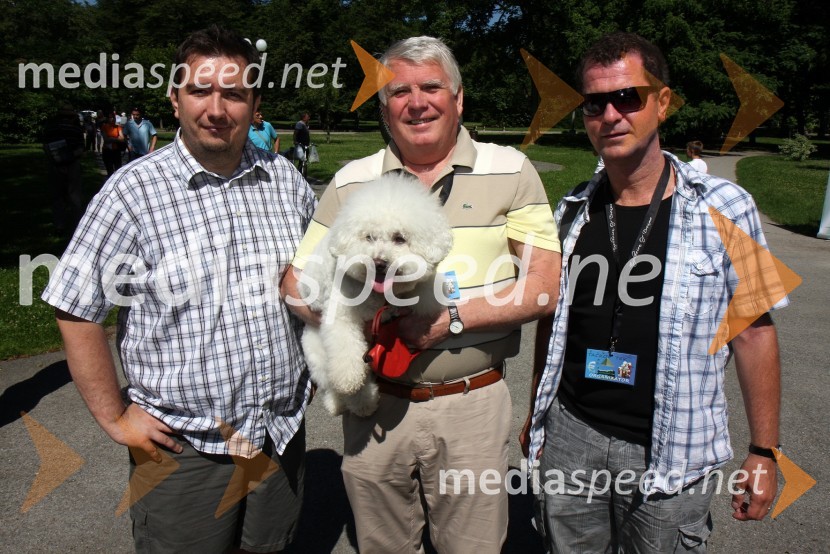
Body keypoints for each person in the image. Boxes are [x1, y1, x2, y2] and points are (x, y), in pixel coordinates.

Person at [41, 25, 316, 553]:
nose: (217, 108)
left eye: (234, 94)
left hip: (280, 433)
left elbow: (308, 289)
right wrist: (116, 418)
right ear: (175, 98)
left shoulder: (288, 183)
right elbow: (75, 308)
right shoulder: (132, 192)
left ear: (254, 103)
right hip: (183, 448)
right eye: (200, 90)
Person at [281, 36, 561, 552]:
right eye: (399, 91)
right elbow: (296, 285)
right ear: (385, 108)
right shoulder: (350, 181)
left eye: (431, 86)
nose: (417, 102)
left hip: (471, 403)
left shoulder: (512, 170)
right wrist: (356, 321)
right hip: (376, 408)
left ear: (458, 98)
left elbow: (544, 288)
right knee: (383, 545)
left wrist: (449, 320)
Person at [522, 32, 786, 553]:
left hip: (673, 448)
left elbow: (754, 334)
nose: (611, 115)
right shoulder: (573, 209)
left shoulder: (726, 206)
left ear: (662, 104)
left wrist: (764, 452)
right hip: (572, 434)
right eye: (594, 103)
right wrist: (536, 411)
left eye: (628, 97)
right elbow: (553, 324)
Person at [41, 104, 85, 233]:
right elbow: (80, 149)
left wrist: (56, 161)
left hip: (54, 164)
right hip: (72, 164)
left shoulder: (50, 128)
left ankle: (59, 224)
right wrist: (69, 159)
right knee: (74, 195)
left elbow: (45, 146)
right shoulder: (76, 129)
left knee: (57, 196)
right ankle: (77, 225)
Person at [99, 111, 126, 176]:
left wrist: (111, 139)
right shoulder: (104, 127)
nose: (112, 119)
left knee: (118, 170)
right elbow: (106, 139)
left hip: (116, 150)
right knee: (109, 170)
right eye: (110, 117)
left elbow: (122, 138)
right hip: (107, 150)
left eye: (113, 117)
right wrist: (117, 139)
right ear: (107, 118)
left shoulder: (118, 127)